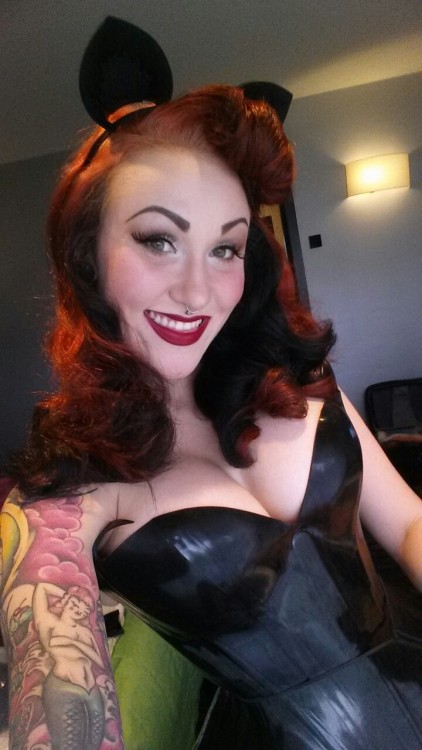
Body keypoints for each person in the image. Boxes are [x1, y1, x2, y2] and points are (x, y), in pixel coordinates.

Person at [1, 17, 421, 750]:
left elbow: (410, 523)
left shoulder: (299, 380)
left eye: (225, 247)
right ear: (87, 255)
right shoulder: (66, 493)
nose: (198, 291)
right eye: (158, 239)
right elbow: (54, 674)